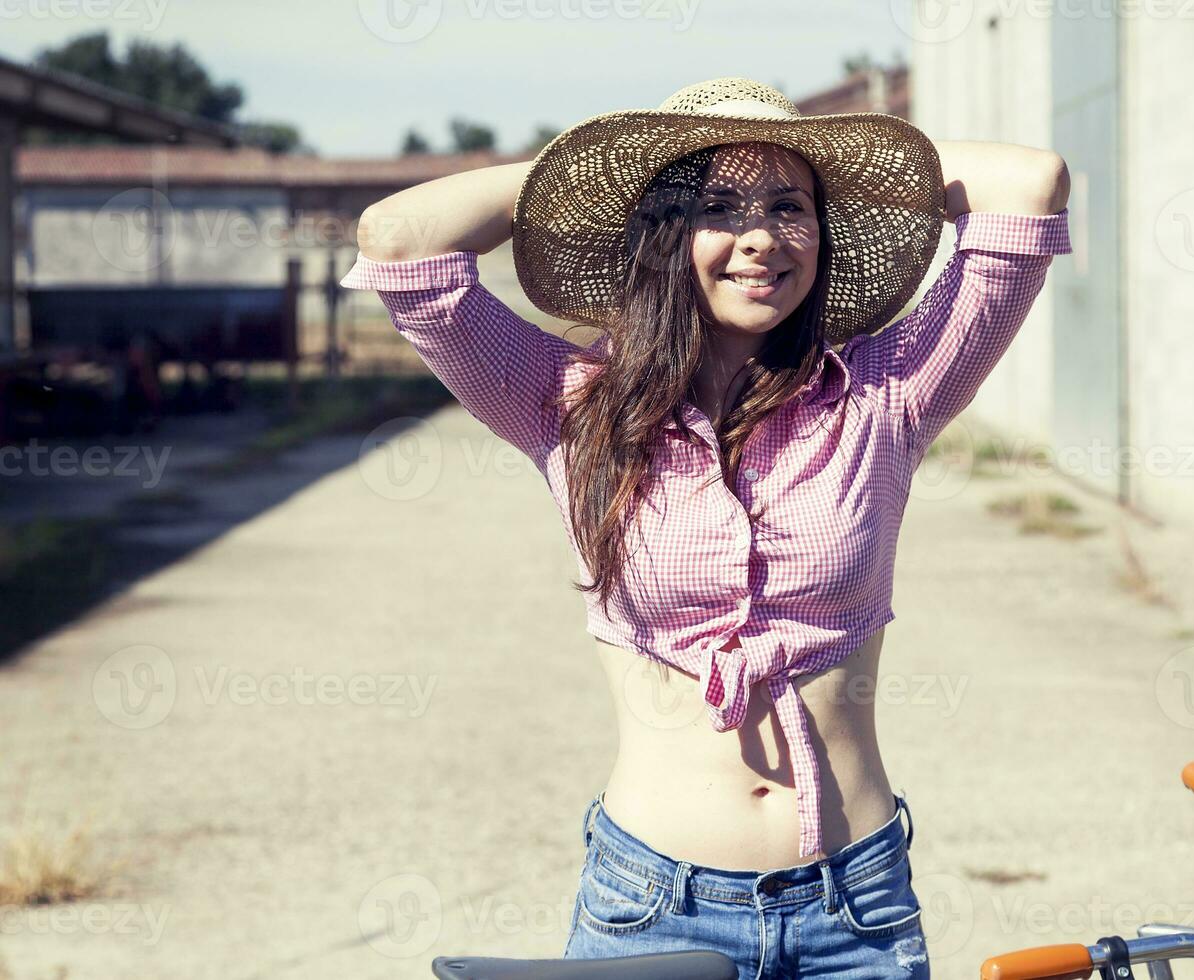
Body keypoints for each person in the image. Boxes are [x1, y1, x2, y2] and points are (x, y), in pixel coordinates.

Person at [343, 76, 1070, 980]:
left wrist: (854, 170)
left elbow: (1030, 187)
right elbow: (401, 241)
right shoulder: (570, 408)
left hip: (858, 911)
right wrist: (596, 175)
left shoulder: (888, 394)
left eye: (790, 207)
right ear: (665, 233)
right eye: (718, 208)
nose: (761, 236)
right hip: (652, 907)